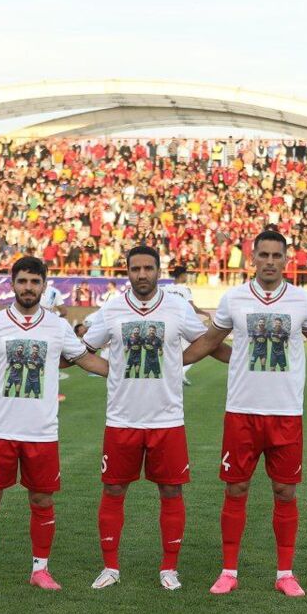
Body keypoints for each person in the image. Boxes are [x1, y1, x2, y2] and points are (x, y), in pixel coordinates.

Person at [84, 245, 229, 591]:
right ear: (127, 272)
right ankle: (110, 567)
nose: (142, 274)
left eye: (149, 268)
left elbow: (207, 342)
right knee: (114, 488)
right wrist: (112, 370)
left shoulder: (177, 307)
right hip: (122, 418)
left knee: (170, 490)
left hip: (167, 419)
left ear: (159, 270)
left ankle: (169, 568)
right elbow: (83, 351)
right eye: (136, 269)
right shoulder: (112, 308)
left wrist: (236, 360)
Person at [190, 230, 307, 597]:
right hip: (242, 411)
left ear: (286, 260)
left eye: (276, 255)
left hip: (285, 413)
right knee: (237, 488)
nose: (269, 261)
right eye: (263, 254)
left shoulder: (303, 301)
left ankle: (285, 572)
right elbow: (209, 342)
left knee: (285, 491)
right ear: (253, 259)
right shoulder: (233, 298)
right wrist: (174, 363)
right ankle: (228, 570)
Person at [0, 257, 108, 591]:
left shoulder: (57, 327)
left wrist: (122, 373)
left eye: (35, 282)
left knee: (42, 501)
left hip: (41, 432)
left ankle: (40, 569)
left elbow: (84, 358)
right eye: (23, 281)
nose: (29, 287)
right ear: (12, 283)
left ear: (44, 285)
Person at [166, 265, 208, 386]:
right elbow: (191, 307)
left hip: (167, 324)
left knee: (171, 351)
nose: (186, 276)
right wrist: (205, 313)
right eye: (186, 274)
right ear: (182, 275)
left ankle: (175, 374)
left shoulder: (165, 288)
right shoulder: (185, 290)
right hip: (180, 323)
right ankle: (181, 373)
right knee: (196, 348)